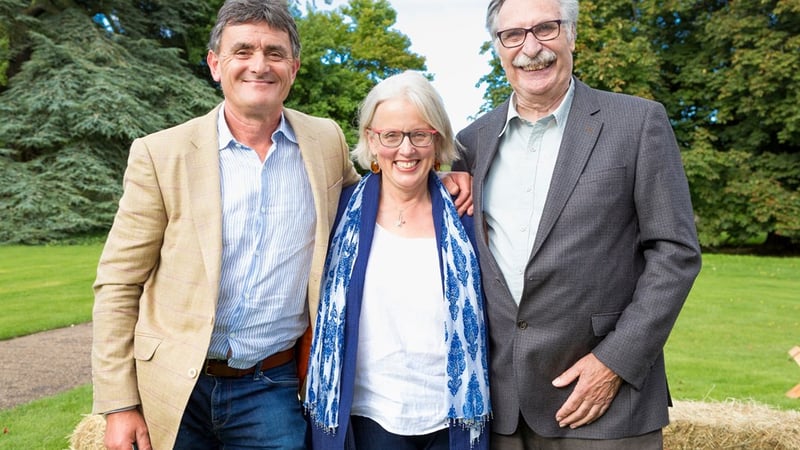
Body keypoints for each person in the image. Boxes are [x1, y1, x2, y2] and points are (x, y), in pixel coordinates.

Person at [91, 1, 472, 449]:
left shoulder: (324, 142)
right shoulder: (161, 154)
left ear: (293, 67)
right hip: (176, 384)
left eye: (274, 53)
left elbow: (380, 190)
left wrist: (436, 176)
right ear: (215, 64)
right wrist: (119, 405)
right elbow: (118, 283)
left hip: (271, 387)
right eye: (243, 51)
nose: (259, 65)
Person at [450, 0, 702, 448]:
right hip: (502, 409)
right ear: (498, 46)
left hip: (606, 403)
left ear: (572, 35)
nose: (531, 48)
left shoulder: (638, 122)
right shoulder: (471, 142)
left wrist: (614, 362)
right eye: (513, 35)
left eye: (546, 29)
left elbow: (675, 253)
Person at [303, 71, 491, 450]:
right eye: (391, 136)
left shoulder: (467, 214)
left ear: (437, 140)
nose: (406, 150)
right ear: (372, 141)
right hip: (370, 415)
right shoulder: (337, 213)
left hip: (453, 418)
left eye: (419, 134)